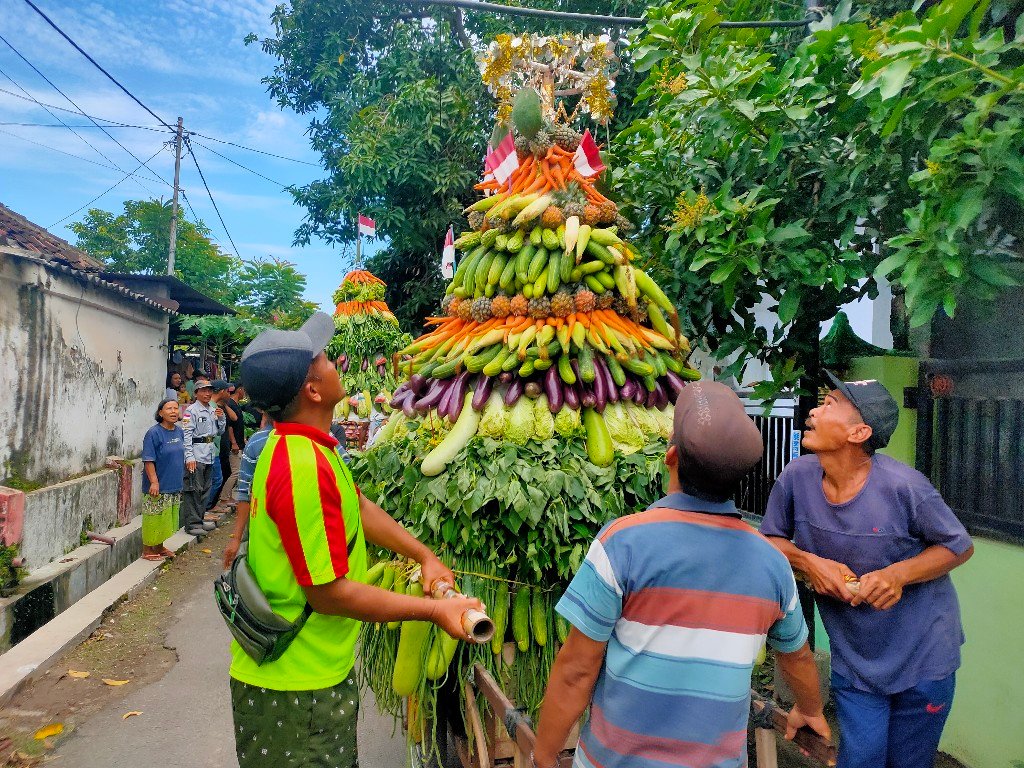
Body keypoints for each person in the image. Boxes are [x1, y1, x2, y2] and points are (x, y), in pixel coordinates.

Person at [533, 381, 831, 768]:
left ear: (670, 457)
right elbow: (797, 656)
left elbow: (576, 670)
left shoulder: (622, 542)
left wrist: (542, 755)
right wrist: (810, 708)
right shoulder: (771, 562)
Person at [230, 313, 481, 768]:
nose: (334, 363)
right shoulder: (300, 466)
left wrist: (424, 554)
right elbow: (329, 594)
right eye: (324, 359)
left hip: (311, 676)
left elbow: (358, 507)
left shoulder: (312, 448)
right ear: (312, 389)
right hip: (295, 688)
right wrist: (434, 610)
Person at [761, 373, 973, 768]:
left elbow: (959, 546)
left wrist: (898, 575)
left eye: (829, 405)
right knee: (862, 759)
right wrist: (810, 563)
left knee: (909, 762)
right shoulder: (795, 479)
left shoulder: (905, 487)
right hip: (856, 663)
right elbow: (769, 540)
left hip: (925, 656)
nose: (814, 411)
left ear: (859, 432)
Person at [141, 399, 185, 561]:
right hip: (157, 485)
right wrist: (154, 481)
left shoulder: (179, 431)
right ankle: (147, 550)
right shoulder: (154, 433)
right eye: (169, 408)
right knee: (153, 517)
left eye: (176, 408)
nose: (173, 411)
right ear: (160, 413)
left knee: (165, 518)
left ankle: (159, 546)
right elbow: (148, 459)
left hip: (173, 483)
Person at [180, 378, 225, 537]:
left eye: (209, 390)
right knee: (193, 489)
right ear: (196, 393)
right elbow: (186, 435)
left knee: (205, 489)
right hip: (196, 453)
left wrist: (221, 418)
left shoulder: (213, 409)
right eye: (203, 390)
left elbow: (219, 432)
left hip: (209, 453)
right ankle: (192, 524)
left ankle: (200, 519)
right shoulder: (191, 411)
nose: (207, 393)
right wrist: (189, 456)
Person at [209, 380, 243, 510]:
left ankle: (211, 506)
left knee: (219, 477)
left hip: (218, 449)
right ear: (222, 391)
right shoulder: (211, 408)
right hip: (212, 450)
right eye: (227, 392)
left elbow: (228, 423)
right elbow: (227, 428)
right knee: (216, 479)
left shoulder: (220, 407)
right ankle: (208, 507)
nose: (230, 394)